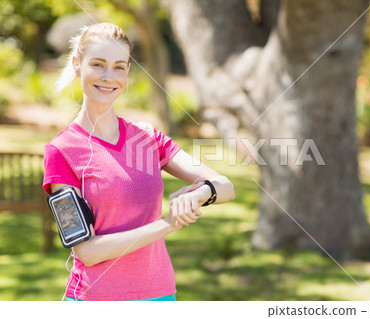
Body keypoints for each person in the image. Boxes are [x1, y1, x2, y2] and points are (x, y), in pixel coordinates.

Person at [42, 23, 235, 301]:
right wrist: (169, 222)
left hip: (160, 295)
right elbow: (88, 251)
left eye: (119, 67)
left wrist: (200, 193)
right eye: (98, 64)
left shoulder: (147, 138)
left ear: (128, 72)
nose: (109, 77)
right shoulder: (61, 151)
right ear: (77, 65)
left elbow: (225, 186)